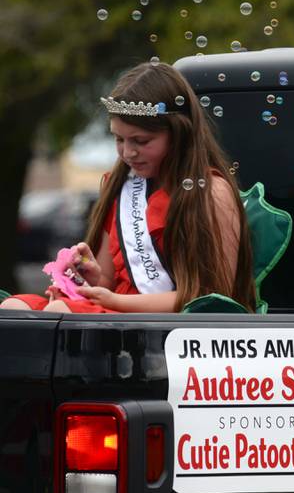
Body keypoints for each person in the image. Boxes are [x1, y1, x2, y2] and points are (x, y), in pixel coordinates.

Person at [1, 62, 255, 313]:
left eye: (141, 140)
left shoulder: (210, 192)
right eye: (119, 139)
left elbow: (213, 298)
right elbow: (107, 284)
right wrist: (88, 279)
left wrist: (114, 302)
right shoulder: (123, 186)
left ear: (180, 134)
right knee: (12, 308)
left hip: (167, 327)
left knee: (59, 313)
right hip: (117, 312)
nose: (128, 152)